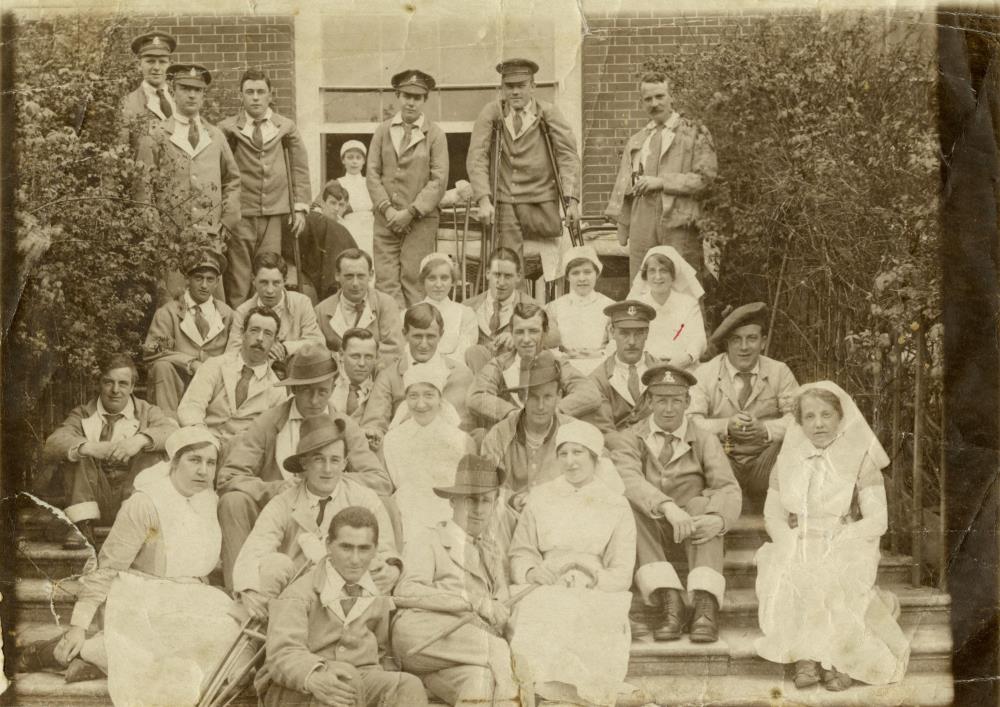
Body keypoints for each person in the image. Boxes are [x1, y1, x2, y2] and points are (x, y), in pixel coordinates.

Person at [19, 428, 240, 704]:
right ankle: (63, 651)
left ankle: (95, 658)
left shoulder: (209, 499)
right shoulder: (146, 502)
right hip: (145, 596)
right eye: (194, 460)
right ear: (173, 462)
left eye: (210, 462)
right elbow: (107, 569)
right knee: (165, 662)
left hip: (194, 596)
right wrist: (78, 624)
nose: (204, 471)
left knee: (231, 636)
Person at [755, 382, 910, 691]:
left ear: (842, 417)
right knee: (790, 567)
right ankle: (807, 658)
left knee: (829, 573)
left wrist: (842, 536)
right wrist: (787, 540)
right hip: (800, 538)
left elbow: (878, 520)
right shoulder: (786, 461)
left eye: (826, 415)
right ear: (799, 422)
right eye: (809, 416)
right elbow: (772, 515)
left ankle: (838, 661)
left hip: (848, 538)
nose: (819, 423)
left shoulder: (860, 458)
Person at [216, 344, 391, 588]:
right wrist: (275, 489)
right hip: (280, 513)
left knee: (386, 503)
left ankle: (382, 590)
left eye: (322, 391)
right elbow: (229, 476)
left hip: (330, 512)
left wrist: (332, 481)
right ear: (293, 389)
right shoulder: (269, 422)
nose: (315, 400)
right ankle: (242, 591)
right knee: (232, 502)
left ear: (332, 387)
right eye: (306, 391)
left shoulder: (344, 425)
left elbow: (380, 479)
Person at [606, 364, 741, 644]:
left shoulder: (703, 438)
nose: (669, 409)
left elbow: (727, 486)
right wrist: (667, 506)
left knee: (704, 505)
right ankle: (670, 601)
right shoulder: (631, 438)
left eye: (676, 401)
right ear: (649, 401)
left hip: (694, 530)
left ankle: (705, 604)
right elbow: (627, 478)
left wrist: (719, 519)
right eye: (661, 400)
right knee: (629, 506)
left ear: (688, 402)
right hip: (651, 529)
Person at [508, 420, 636, 707]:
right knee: (544, 609)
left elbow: (622, 570)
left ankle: (579, 698)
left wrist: (596, 576)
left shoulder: (616, 504)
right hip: (547, 581)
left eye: (578, 453)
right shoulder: (541, 497)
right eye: (564, 453)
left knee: (587, 615)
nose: (570, 461)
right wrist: (532, 570)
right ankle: (544, 694)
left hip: (594, 586)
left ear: (594, 457)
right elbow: (521, 550)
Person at [232, 415, 401, 622]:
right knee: (274, 565)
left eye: (335, 460)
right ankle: (262, 639)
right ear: (304, 463)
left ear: (345, 464)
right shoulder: (284, 502)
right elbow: (256, 549)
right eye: (319, 459)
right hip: (295, 594)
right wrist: (249, 590)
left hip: (346, 593)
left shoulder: (363, 498)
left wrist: (392, 568)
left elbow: (385, 549)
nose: (328, 469)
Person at [262, 506, 428, 707]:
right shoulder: (299, 595)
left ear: (375, 550)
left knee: (408, 685)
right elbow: (282, 653)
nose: (355, 559)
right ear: (328, 545)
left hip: (357, 680)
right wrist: (313, 677)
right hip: (298, 686)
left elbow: (382, 651)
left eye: (364, 548)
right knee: (344, 680)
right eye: (346, 547)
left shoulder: (377, 594)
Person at [392, 456, 522, 707]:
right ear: (453, 501)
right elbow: (406, 591)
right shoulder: (429, 538)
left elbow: (501, 607)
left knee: (480, 682)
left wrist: (499, 611)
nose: (479, 509)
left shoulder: (492, 552)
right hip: (422, 635)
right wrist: (471, 601)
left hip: (461, 654)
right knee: (496, 651)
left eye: (486, 501)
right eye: (472, 499)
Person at [43, 354, 177, 549]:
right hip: (94, 496)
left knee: (153, 452)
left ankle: (135, 525)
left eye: (123, 383)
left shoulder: (148, 412)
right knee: (77, 451)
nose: (115, 390)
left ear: (132, 387)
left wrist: (140, 440)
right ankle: (82, 526)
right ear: (100, 383)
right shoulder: (83, 413)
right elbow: (53, 443)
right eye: (109, 382)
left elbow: (173, 433)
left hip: (132, 495)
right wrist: (90, 447)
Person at [135, 64, 241, 302]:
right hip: (172, 240)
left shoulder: (215, 136)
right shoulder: (156, 134)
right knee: (173, 304)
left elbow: (233, 180)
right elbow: (143, 187)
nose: (192, 95)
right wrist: (156, 229)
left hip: (209, 238)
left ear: (204, 95)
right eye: (185, 88)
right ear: (173, 90)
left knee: (212, 304)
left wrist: (227, 221)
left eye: (198, 90)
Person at [479, 351, 622, 519]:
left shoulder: (576, 431)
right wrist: (513, 498)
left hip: (563, 518)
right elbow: (485, 485)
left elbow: (607, 478)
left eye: (548, 397)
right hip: (514, 518)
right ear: (522, 396)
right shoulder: (499, 435)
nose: (541, 406)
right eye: (533, 397)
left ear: (559, 396)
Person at [605, 70, 718, 279]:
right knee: (643, 284)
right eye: (647, 99)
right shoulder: (638, 140)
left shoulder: (694, 132)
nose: (654, 103)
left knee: (683, 284)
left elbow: (706, 179)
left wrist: (662, 182)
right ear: (641, 103)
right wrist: (623, 224)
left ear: (672, 97)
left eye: (659, 96)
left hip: (678, 220)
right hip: (642, 222)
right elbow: (624, 186)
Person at [468, 58, 580, 264]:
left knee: (553, 262)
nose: (515, 92)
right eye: (509, 86)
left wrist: (571, 201)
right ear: (502, 88)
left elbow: (568, 157)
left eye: (521, 86)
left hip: (541, 202)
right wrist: (483, 199)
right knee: (508, 261)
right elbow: (477, 157)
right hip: (506, 201)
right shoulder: (492, 113)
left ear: (533, 86)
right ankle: (515, 297)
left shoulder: (548, 112)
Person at [688, 301, 799, 506]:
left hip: (766, 463)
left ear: (763, 341)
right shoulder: (705, 373)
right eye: (736, 340)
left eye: (752, 338)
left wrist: (765, 429)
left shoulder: (779, 371)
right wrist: (726, 426)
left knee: (795, 447)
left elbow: (799, 419)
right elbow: (690, 421)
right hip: (723, 461)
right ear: (727, 344)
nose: (744, 347)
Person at [218, 69, 312, 308]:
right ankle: (239, 332)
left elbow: (299, 169)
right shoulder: (228, 129)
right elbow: (219, 173)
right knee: (239, 278)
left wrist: (300, 208)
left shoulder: (285, 128)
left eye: (261, 92)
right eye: (249, 92)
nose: (256, 98)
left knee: (269, 274)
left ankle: (269, 327)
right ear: (241, 96)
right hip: (241, 215)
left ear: (271, 95)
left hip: (274, 216)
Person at [367, 69, 449, 308]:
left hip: (420, 221)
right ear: (398, 96)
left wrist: (411, 212)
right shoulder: (382, 131)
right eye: (406, 96)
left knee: (414, 277)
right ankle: (395, 334)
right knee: (386, 279)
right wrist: (387, 209)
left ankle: (417, 331)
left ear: (424, 100)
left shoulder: (435, 135)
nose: (411, 102)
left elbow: (439, 180)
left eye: (417, 98)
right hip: (386, 219)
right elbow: (372, 173)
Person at [467, 303, 603, 430]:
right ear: (512, 334)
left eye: (533, 331)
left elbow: (589, 393)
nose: (526, 339)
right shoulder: (498, 365)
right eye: (520, 332)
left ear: (545, 332)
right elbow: (477, 396)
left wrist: (553, 411)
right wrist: (512, 413)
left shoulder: (558, 363)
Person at [383, 363, 477, 543]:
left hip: (449, 519)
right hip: (406, 521)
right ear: (405, 399)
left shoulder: (460, 440)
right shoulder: (392, 440)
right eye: (413, 396)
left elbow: (469, 491)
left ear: (440, 398)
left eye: (428, 395)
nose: (421, 404)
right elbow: (389, 488)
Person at [361, 303, 474, 446]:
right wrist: (374, 432)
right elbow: (374, 422)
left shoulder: (461, 374)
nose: (424, 344)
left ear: (441, 334)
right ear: (405, 334)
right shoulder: (389, 376)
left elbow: (468, 428)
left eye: (431, 336)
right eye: (417, 336)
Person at [176, 306, 288, 452]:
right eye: (254, 330)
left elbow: (272, 434)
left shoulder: (276, 389)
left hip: (243, 455)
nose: (260, 338)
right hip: (202, 444)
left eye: (267, 334)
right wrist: (204, 440)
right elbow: (191, 407)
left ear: (275, 342)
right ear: (242, 333)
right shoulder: (215, 365)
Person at [143, 249, 233, 417]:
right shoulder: (168, 313)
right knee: (162, 366)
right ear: (187, 280)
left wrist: (211, 369)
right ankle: (167, 424)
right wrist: (190, 363)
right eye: (198, 278)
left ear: (217, 281)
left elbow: (235, 354)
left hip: (214, 386)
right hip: (178, 384)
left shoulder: (227, 314)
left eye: (210, 279)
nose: (204, 285)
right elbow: (152, 353)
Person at [463, 247, 560, 373]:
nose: (501, 282)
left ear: (518, 277)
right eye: (497, 274)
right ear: (487, 273)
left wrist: (518, 336)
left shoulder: (531, 305)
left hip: (515, 375)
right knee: (474, 352)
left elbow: (555, 337)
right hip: (478, 374)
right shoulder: (468, 306)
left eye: (508, 276)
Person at [226, 251, 325, 365]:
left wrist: (286, 348)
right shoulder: (243, 311)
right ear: (253, 280)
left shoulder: (301, 303)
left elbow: (318, 343)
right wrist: (264, 347)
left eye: (276, 283)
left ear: (285, 281)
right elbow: (231, 354)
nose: (270, 290)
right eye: (263, 282)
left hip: (294, 372)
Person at [315, 248, 403, 357]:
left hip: (377, 371)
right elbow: (319, 352)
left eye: (361, 276)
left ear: (371, 275)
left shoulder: (386, 304)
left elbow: (393, 349)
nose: (355, 283)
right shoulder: (321, 310)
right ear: (337, 275)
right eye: (349, 276)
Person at [627, 245, 706, 367]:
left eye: (663, 270)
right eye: (652, 271)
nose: (658, 277)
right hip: (645, 367)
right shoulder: (636, 305)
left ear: (673, 275)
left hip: (683, 367)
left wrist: (686, 358)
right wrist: (647, 361)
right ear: (645, 275)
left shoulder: (688, 303)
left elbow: (698, 339)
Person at [589, 300, 659, 432]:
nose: (632, 341)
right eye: (624, 333)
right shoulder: (598, 379)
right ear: (612, 332)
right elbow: (604, 431)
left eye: (638, 333)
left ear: (647, 333)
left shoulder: (661, 372)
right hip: (617, 449)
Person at [544, 244, 614, 375]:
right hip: (565, 369)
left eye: (587, 272)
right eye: (575, 273)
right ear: (567, 277)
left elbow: (614, 345)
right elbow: (549, 346)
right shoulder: (554, 307)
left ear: (597, 274)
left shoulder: (609, 306)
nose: (582, 278)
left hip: (601, 370)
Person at [299, 180, 360, 303]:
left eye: (341, 205)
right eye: (332, 203)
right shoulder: (313, 221)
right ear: (323, 203)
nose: (336, 209)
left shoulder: (347, 227)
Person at [418, 252, 478, 363]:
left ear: (453, 281)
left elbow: (464, 354)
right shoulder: (411, 314)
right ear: (423, 281)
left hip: (454, 373)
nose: (438, 284)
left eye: (444, 278)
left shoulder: (465, 314)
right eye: (432, 278)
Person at [120, 31, 176, 147]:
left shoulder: (180, 98)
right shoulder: (127, 104)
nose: (156, 67)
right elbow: (122, 152)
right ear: (139, 65)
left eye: (162, 62)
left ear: (170, 65)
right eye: (150, 61)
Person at [330, 328, 379, 422]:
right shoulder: (328, 381)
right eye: (355, 356)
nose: (362, 363)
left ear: (376, 358)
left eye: (368, 357)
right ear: (341, 355)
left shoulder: (381, 386)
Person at [337, 139, 375, 257]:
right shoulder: (338, 183)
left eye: (358, 158)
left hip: (369, 229)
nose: (354, 162)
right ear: (343, 160)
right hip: (348, 227)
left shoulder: (370, 182)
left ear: (364, 161)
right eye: (350, 157)